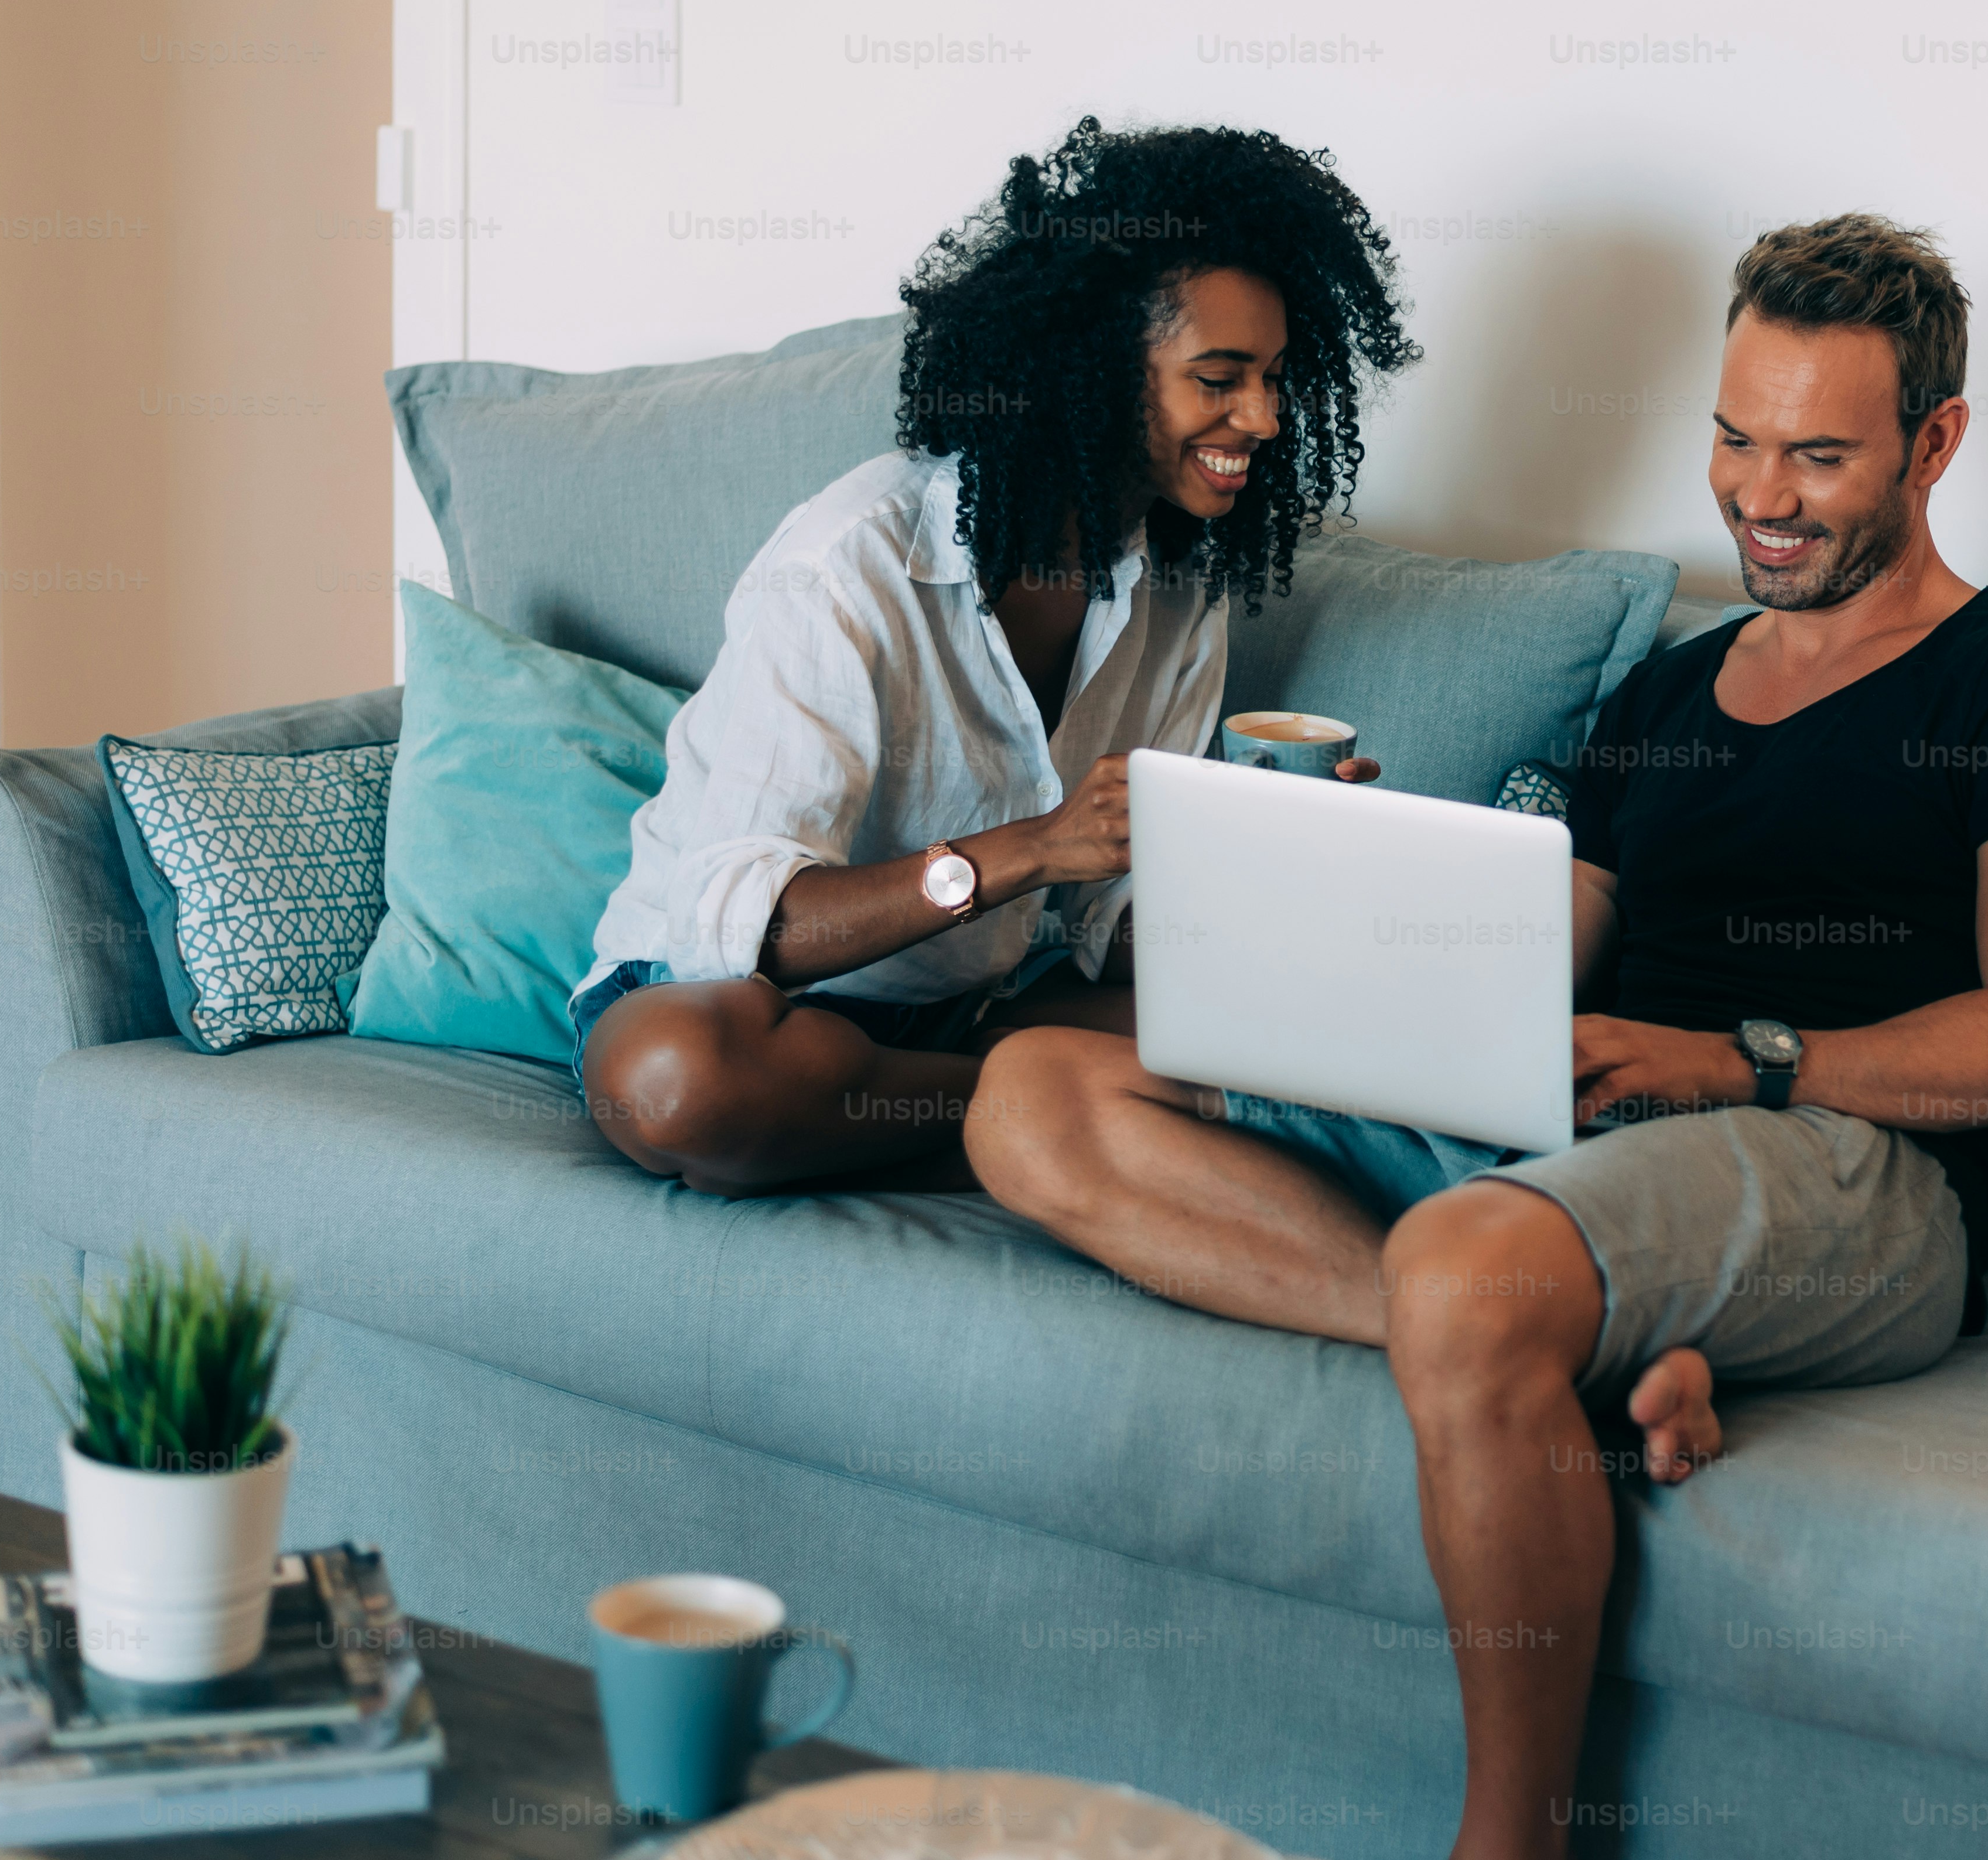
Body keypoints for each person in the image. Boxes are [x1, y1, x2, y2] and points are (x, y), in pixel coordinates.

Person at [968, 213, 1988, 1860]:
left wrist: (1743, 1057)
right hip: (1585, 1135)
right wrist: (1346, 897)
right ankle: (1532, 1375)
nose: (1763, 494)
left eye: (1819, 456)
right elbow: (1551, 961)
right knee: (1034, 1093)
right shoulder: (1666, 691)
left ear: (1937, 444)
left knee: (1473, 1270)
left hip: (1853, 1162)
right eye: (1737, 440)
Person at [578, 117, 1416, 1196]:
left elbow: (1110, 927)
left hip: (973, 1015)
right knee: (675, 1082)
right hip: (737, 998)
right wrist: (1031, 849)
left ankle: (992, 1114)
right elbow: (747, 924)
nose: (1261, 416)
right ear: (1098, 372)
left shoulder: (1181, 585)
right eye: (1219, 378)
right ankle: (1030, 1120)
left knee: (1314, 1038)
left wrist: (1264, 860)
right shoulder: (849, 563)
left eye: (1273, 377)